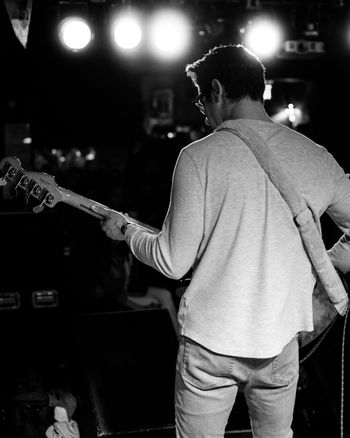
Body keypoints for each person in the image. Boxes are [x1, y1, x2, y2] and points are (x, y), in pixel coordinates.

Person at [92, 44, 350, 438]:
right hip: (279, 345)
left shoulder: (199, 157)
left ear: (216, 89)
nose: (201, 107)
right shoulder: (315, 156)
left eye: (199, 97)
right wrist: (326, 264)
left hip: (212, 346)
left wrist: (127, 231)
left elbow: (172, 261)